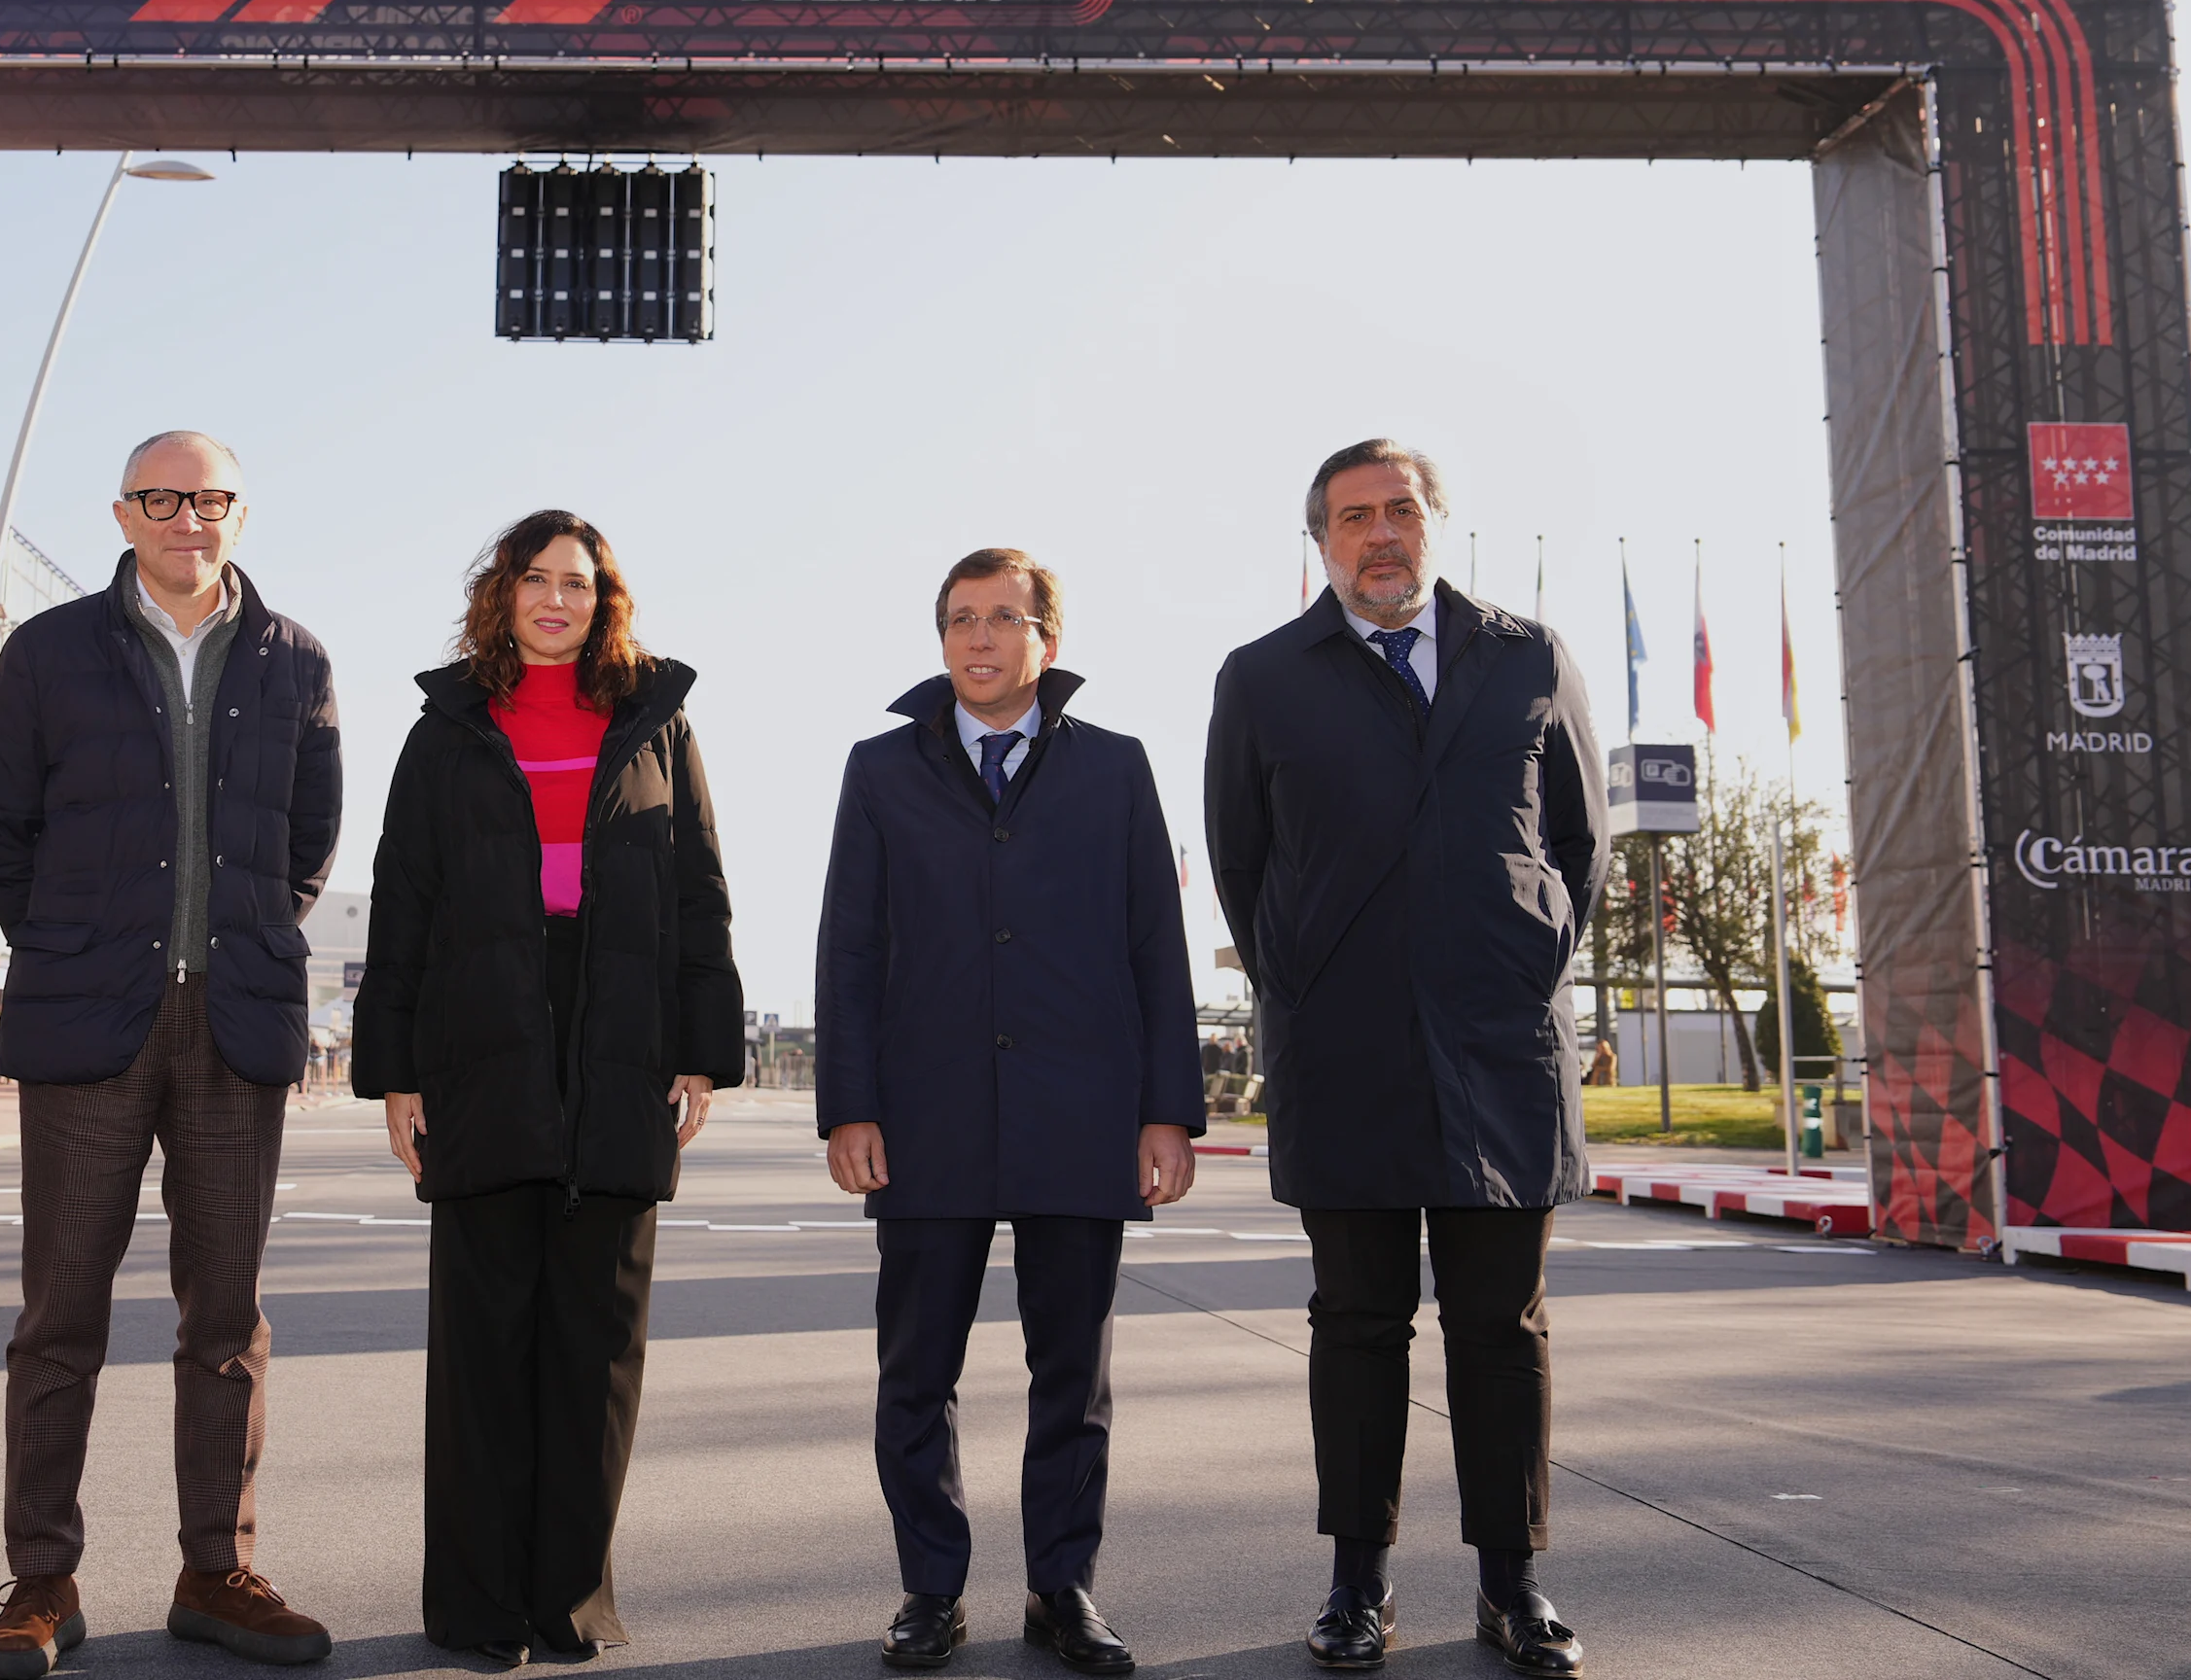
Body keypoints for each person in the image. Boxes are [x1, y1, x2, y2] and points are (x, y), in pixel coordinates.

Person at [1204, 440, 1605, 1679]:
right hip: (1346, 1050)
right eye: (1351, 517)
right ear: (1317, 540)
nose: (1378, 534)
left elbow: (1576, 846)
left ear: (1436, 523)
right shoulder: (1264, 676)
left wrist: (1517, 958)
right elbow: (1241, 862)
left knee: (1501, 1326)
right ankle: (1354, 1587)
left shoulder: (1525, 656)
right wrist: (1310, 980)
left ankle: (1511, 1584)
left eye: (1400, 511)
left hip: (1498, 1050)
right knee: (1357, 1324)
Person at [0, 430, 343, 1675]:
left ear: (239, 510)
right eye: (162, 498)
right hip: (91, 1020)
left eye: (211, 497)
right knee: (59, 1314)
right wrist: (78, 941)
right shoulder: (51, 651)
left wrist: (238, 937)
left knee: (223, 1317)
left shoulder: (295, 661)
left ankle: (215, 1570)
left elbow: (308, 839)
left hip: (233, 1022)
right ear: (122, 513)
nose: (188, 517)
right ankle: (40, 1582)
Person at [354, 510, 742, 1668]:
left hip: (619, 1034)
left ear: (603, 600)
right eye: (536, 579)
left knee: (598, 1344)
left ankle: (568, 1601)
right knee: (483, 1347)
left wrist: (699, 1045)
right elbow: (402, 897)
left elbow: (699, 892)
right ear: (504, 593)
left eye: (577, 582)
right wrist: (396, 1075)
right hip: (481, 1037)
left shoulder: (658, 724)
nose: (556, 600)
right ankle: (475, 1610)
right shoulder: (446, 730)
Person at [815, 547, 1201, 1677]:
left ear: (1047, 639)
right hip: (924, 1118)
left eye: (1001, 618)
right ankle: (928, 1591)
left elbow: (1153, 949)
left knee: (1071, 1379)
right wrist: (850, 1105)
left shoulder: (1117, 769)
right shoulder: (879, 770)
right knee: (914, 1374)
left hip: (1081, 1114)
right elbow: (849, 946)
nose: (977, 638)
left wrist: (1164, 1111)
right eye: (957, 619)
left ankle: (1059, 1587)